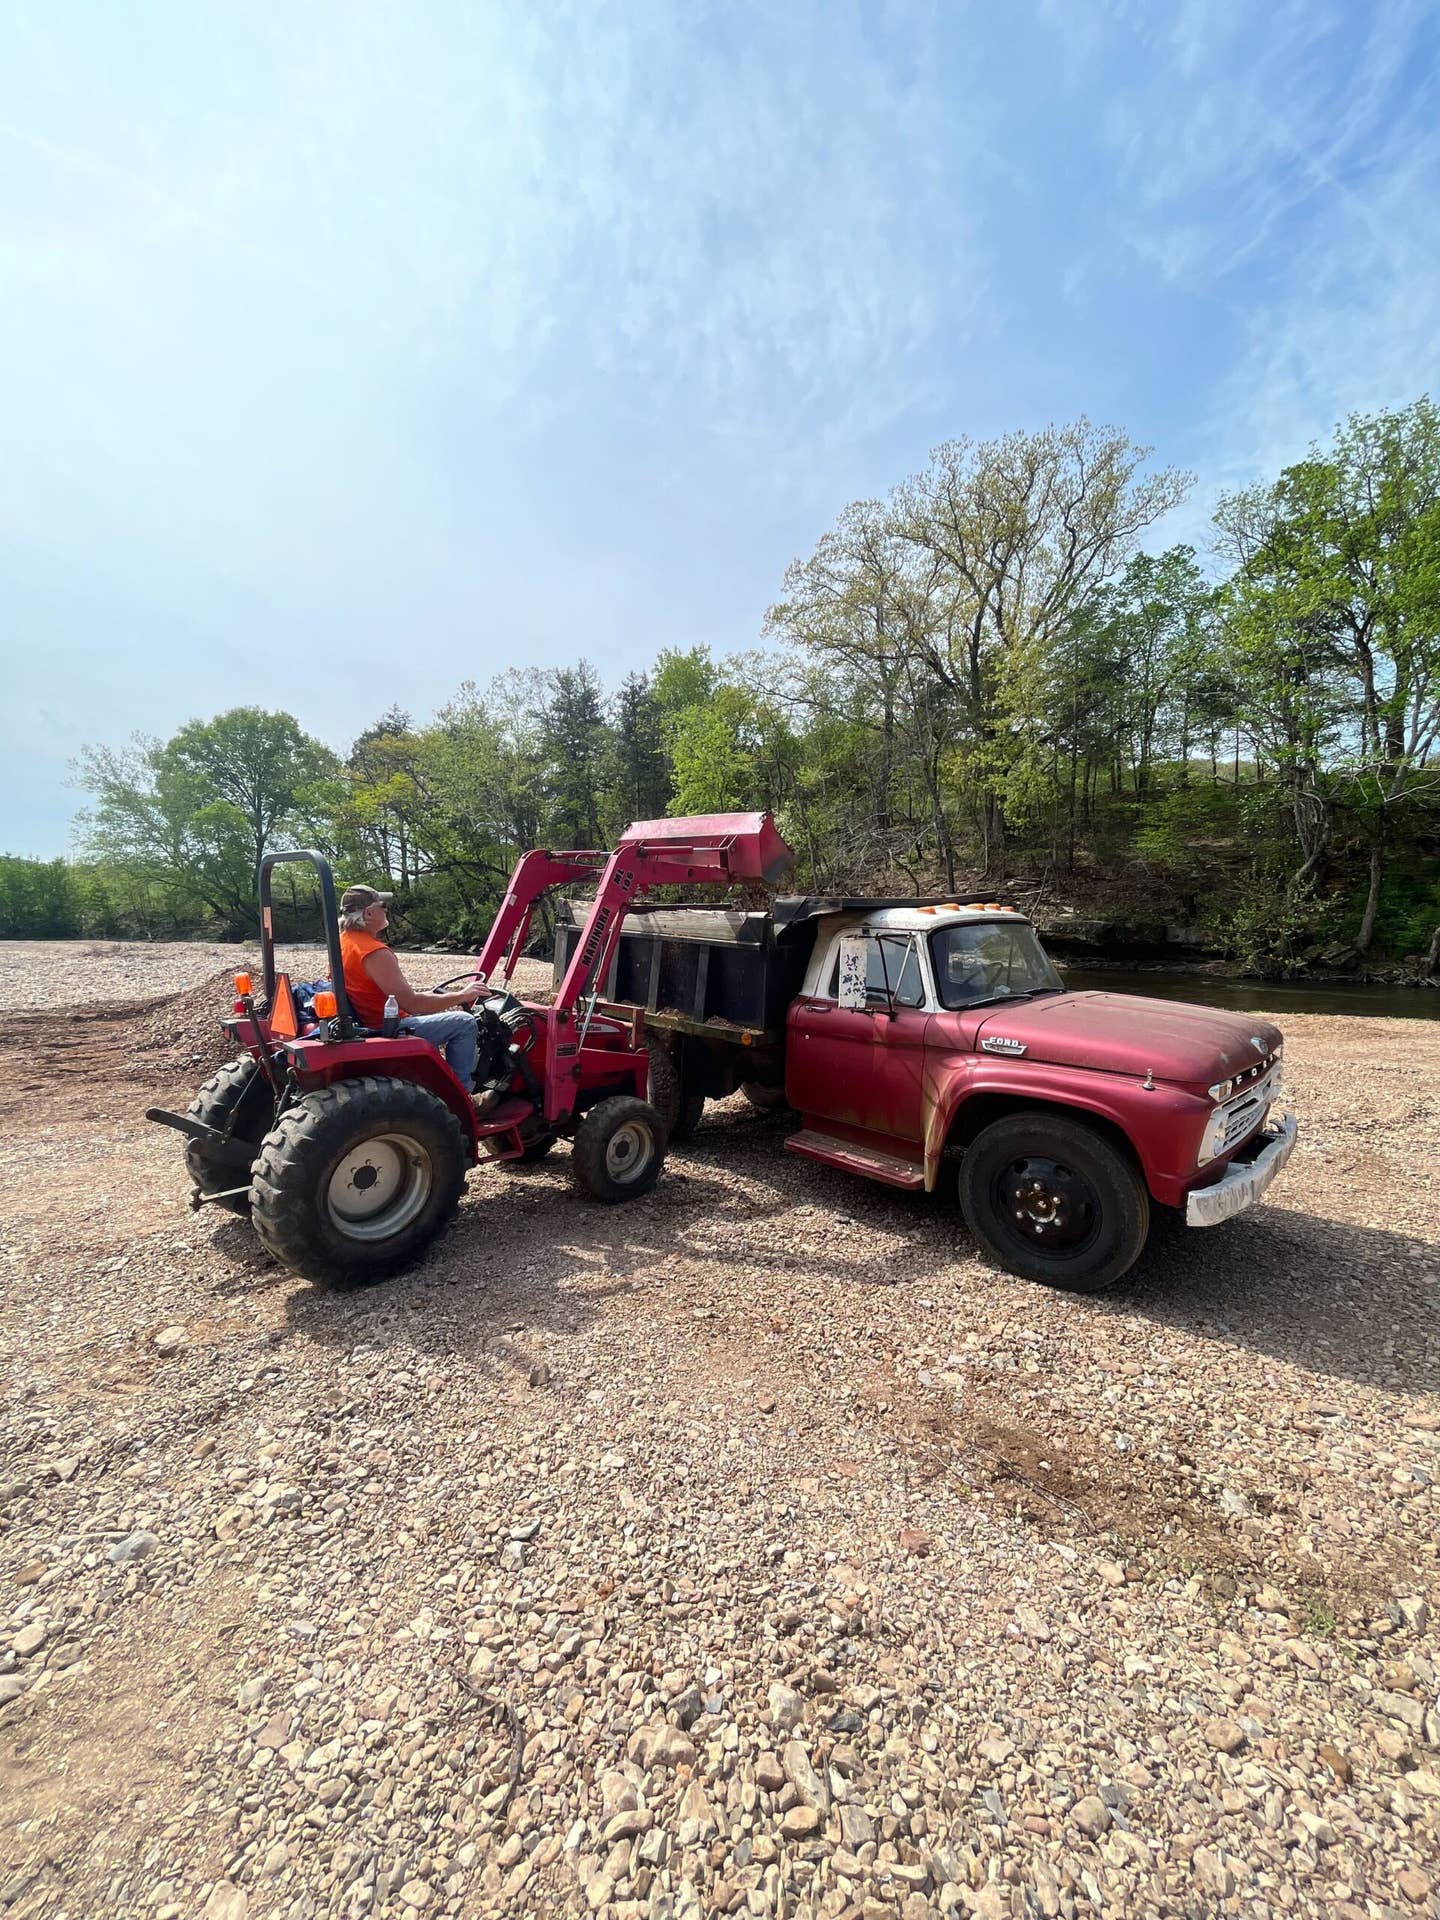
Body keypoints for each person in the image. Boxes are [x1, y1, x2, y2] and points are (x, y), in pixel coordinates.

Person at [337, 885, 485, 1095]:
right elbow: (413, 1004)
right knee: (465, 1023)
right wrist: (463, 995)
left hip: (365, 1022)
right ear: (369, 913)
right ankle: (463, 1095)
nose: (386, 910)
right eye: (383, 906)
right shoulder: (375, 952)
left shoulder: (342, 943)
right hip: (387, 1027)